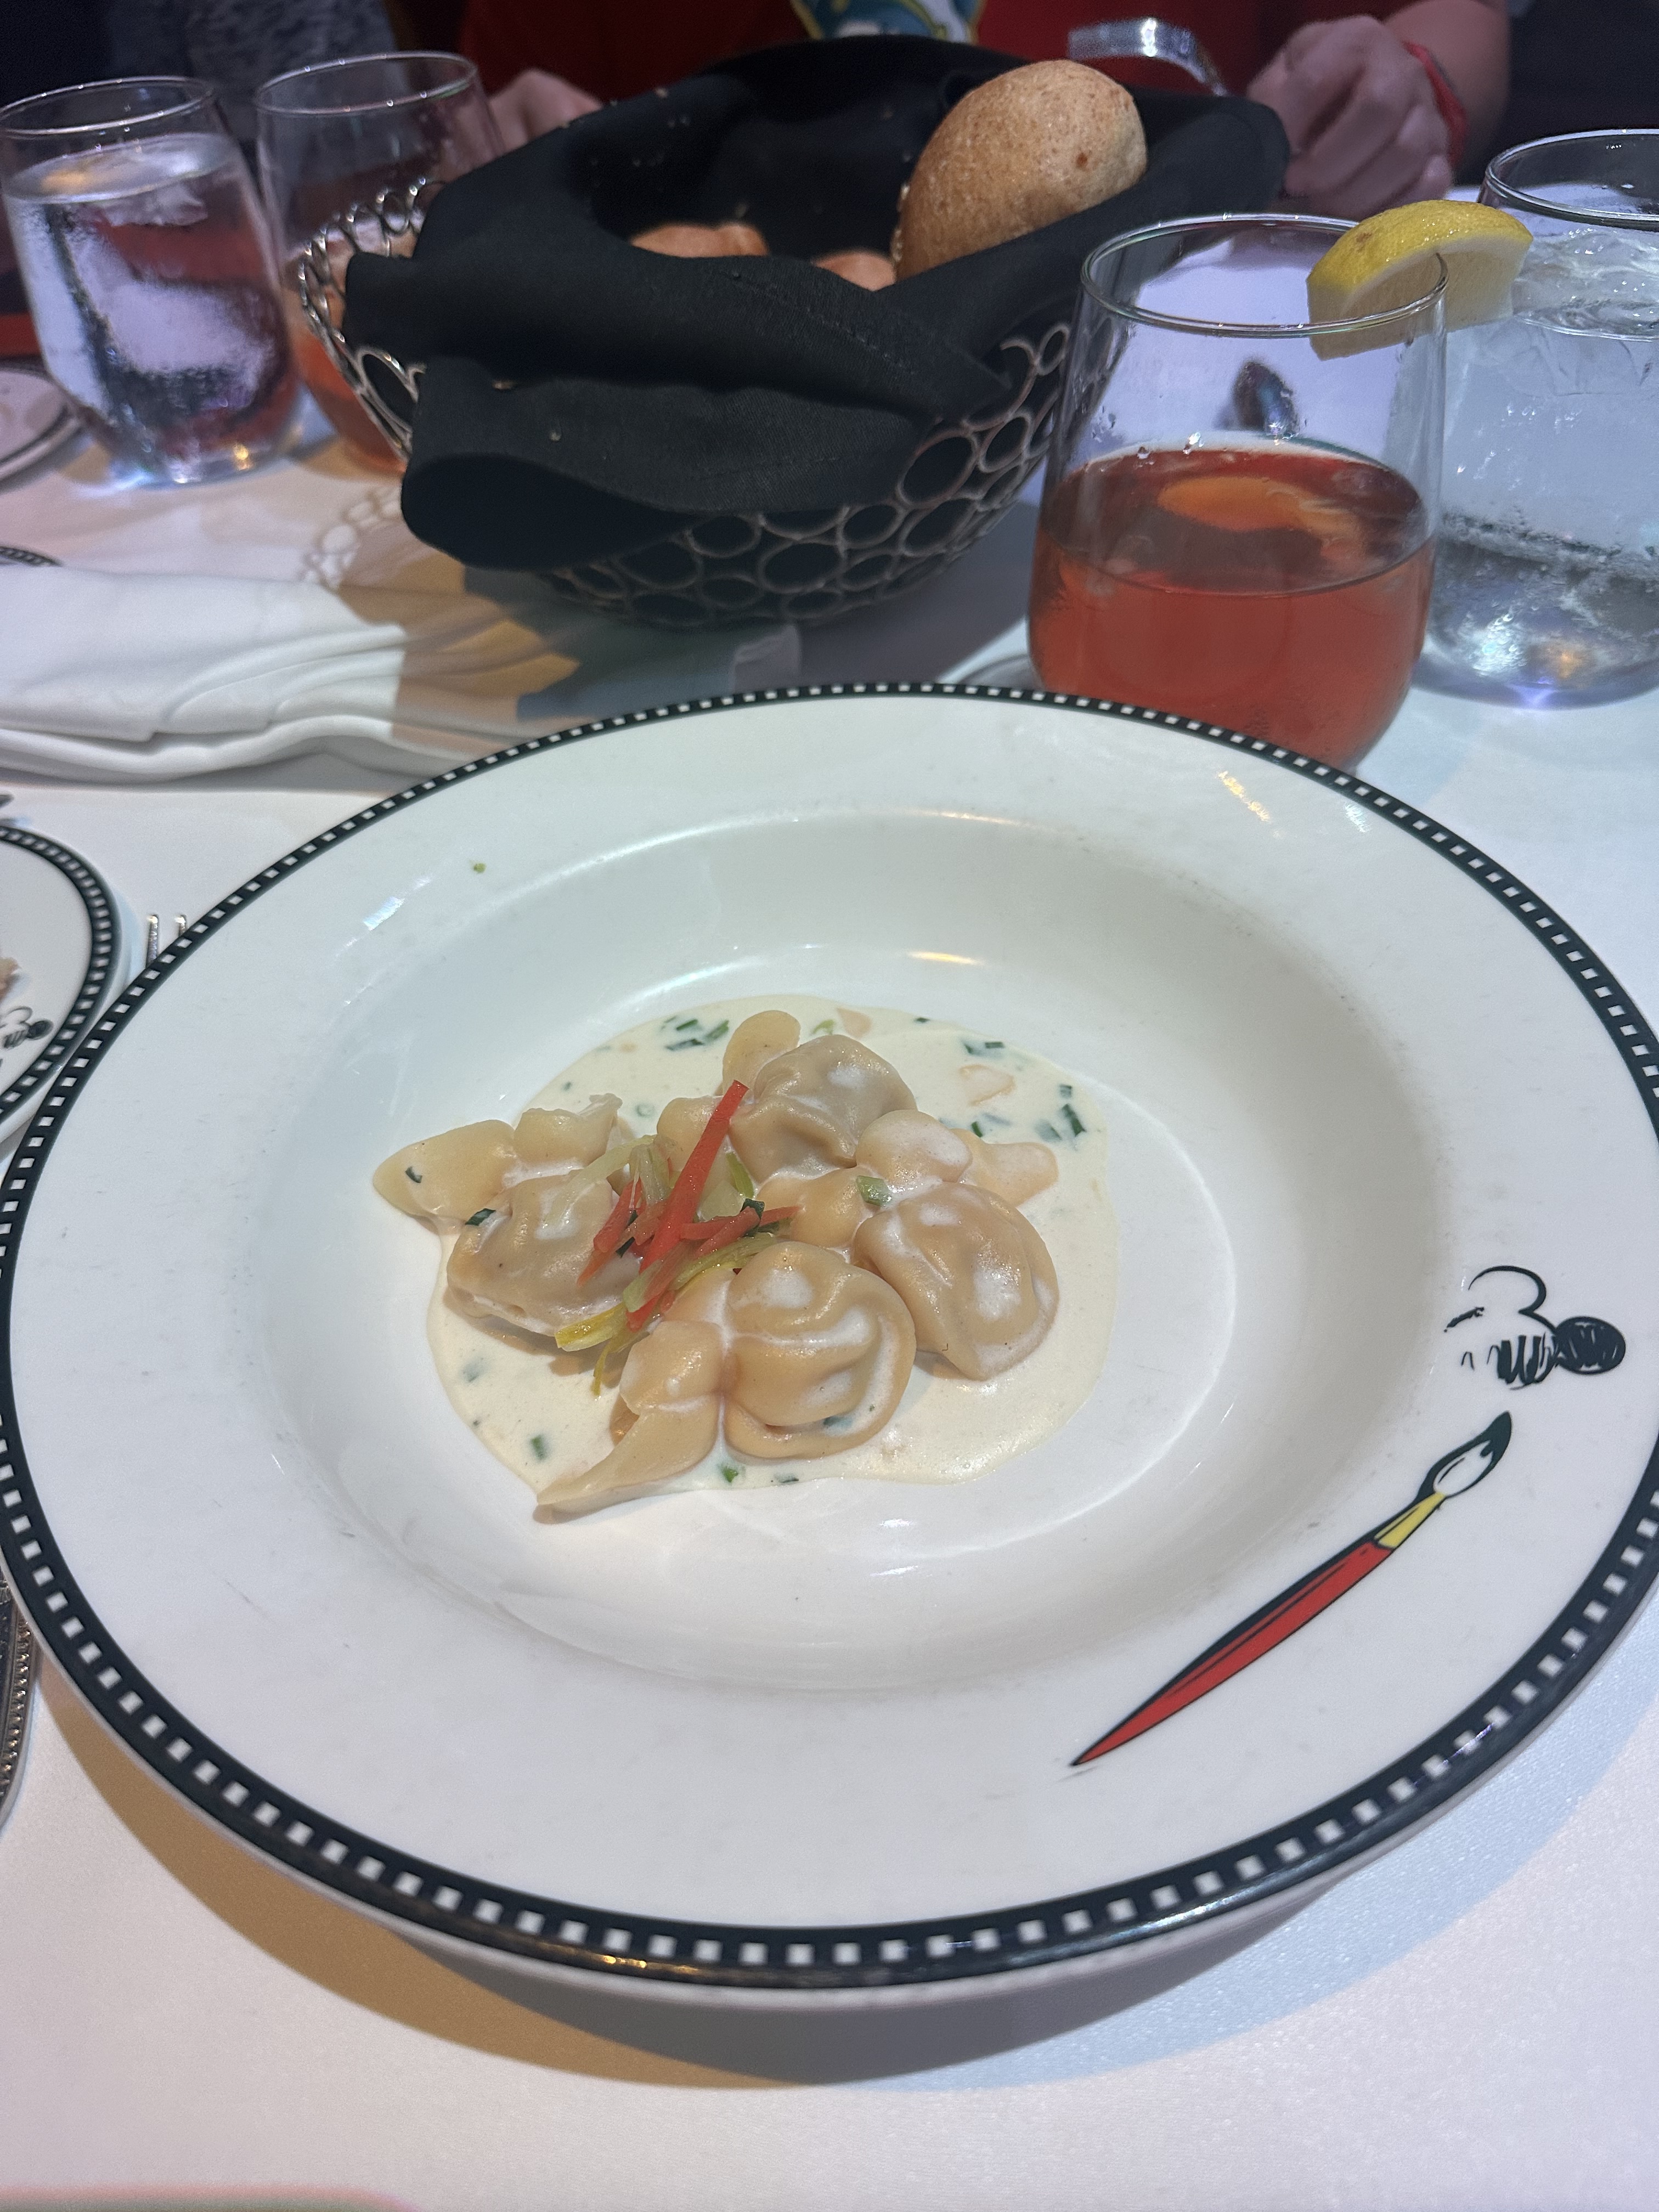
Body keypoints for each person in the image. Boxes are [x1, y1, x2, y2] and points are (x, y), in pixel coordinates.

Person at [459, 0, 1509, 218]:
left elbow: (1463, 19)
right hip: (712, 460)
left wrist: (1414, 84)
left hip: (1181, 410)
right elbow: (478, 120)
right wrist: (489, 150)